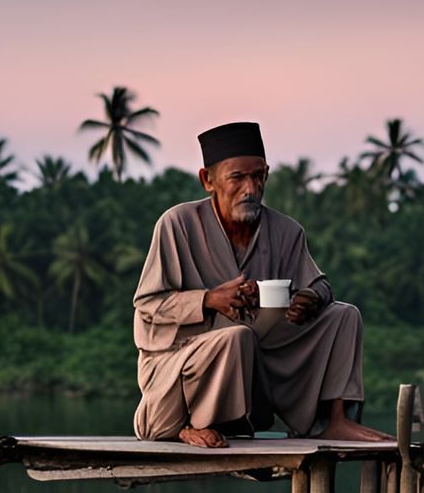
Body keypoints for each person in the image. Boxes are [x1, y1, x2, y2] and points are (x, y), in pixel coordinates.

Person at [132, 121, 390, 448]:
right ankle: (189, 424)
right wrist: (209, 299)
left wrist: (310, 297)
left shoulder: (286, 231)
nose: (251, 189)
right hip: (181, 363)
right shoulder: (177, 224)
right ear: (207, 180)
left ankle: (337, 421)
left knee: (344, 316)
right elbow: (148, 304)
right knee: (237, 338)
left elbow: (321, 286)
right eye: (237, 178)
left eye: (258, 176)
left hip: (257, 356)